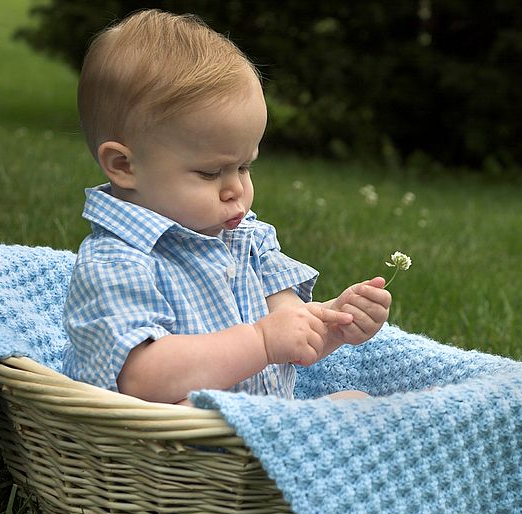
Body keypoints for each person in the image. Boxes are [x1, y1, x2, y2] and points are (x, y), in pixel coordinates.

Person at [61, 9, 390, 404]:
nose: (236, 189)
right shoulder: (118, 263)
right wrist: (261, 340)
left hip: (260, 425)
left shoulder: (247, 238)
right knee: (185, 412)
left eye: (244, 166)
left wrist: (334, 322)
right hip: (165, 449)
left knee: (355, 403)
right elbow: (141, 379)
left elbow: (290, 333)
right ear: (123, 165)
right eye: (209, 172)